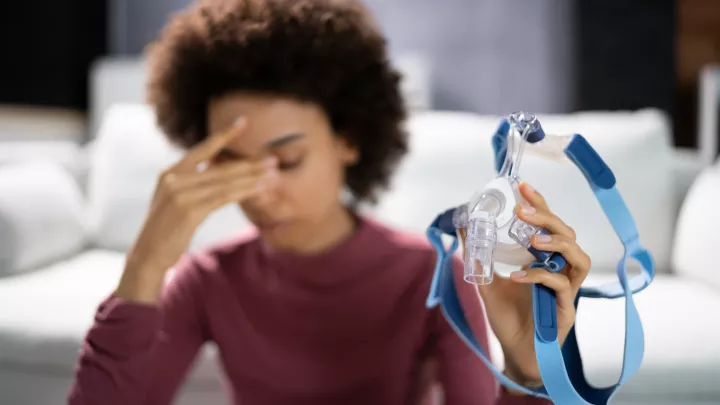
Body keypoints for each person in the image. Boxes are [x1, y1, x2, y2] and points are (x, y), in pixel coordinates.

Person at [67, 0, 591, 404]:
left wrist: (527, 374)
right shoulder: (207, 279)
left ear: (349, 140)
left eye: (287, 160)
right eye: (235, 165)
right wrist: (145, 265)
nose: (260, 191)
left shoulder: (430, 277)